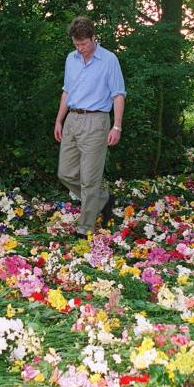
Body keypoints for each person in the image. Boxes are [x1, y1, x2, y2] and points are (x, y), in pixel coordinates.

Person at [54, 16, 126, 238]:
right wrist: (59, 120)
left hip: (96, 122)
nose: (80, 48)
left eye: (84, 44)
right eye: (77, 44)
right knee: (65, 173)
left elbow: (118, 94)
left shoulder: (109, 60)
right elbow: (67, 91)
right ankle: (103, 200)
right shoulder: (71, 59)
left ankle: (85, 228)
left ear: (93, 38)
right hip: (72, 121)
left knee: (89, 179)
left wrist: (117, 126)